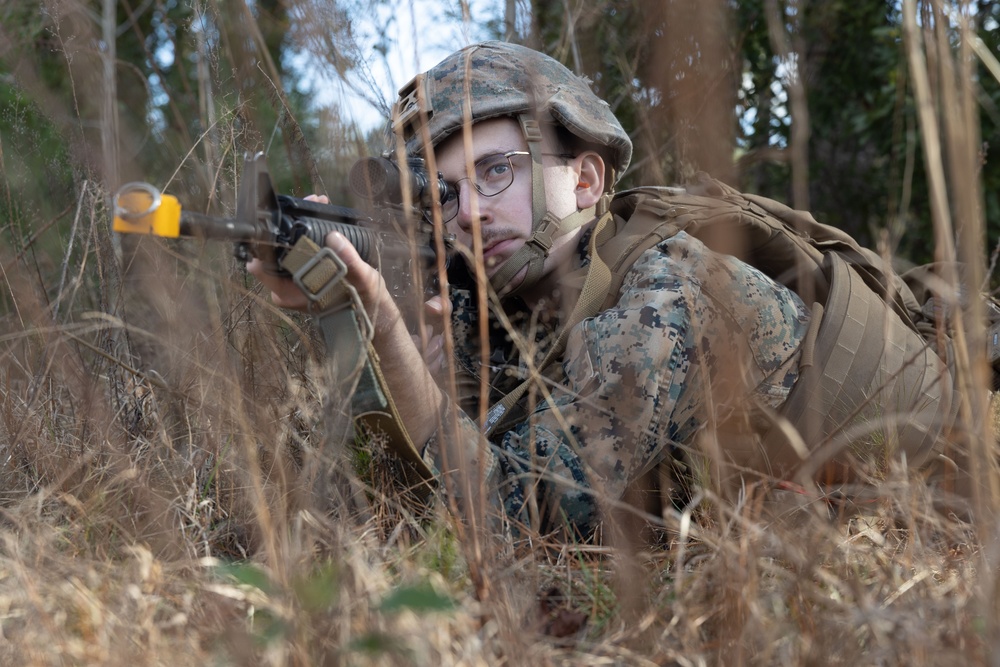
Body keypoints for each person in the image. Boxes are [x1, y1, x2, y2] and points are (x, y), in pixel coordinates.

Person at [250, 41, 963, 541]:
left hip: (952, 509)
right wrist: (351, 314)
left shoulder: (667, 295)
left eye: (497, 171)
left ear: (586, 180)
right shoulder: (518, 304)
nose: (468, 212)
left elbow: (511, 521)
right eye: (445, 193)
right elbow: (395, 509)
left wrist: (385, 332)